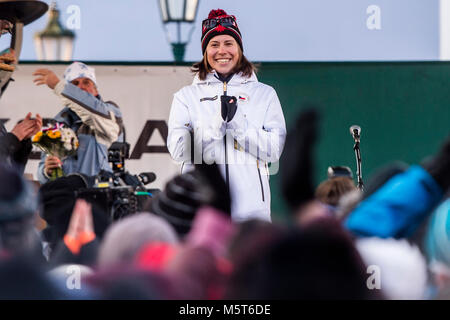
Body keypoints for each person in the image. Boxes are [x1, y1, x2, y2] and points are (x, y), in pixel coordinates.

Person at [167, 9, 286, 222]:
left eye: (228, 43)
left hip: (251, 212)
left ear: (239, 49)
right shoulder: (186, 97)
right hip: (201, 209)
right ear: (205, 52)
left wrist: (237, 126)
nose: (222, 51)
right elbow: (178, 150)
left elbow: (274, 151)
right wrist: (216, 124)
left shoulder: (265, 94)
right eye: (214, 45)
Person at [32, 62, 123, 183]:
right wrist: (46, 171)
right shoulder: (58, 122)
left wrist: (59, 86)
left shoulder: (109, 112)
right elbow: (42, 174)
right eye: (75, 84)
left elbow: (92, 110)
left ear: (96, 90)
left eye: (86, 82)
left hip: (98, 196)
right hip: (67, 197)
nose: (81, 87)